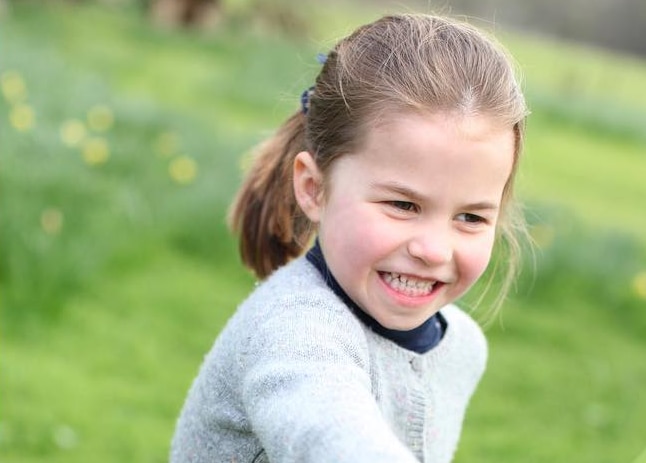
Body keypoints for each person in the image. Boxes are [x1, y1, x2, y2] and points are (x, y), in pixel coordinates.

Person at [170, 13, 528, 463]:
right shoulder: (294, 332)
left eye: (471, 217)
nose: (434, 250)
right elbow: (329, 432)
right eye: (402, 205)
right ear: (314, 189)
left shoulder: (462, 349)